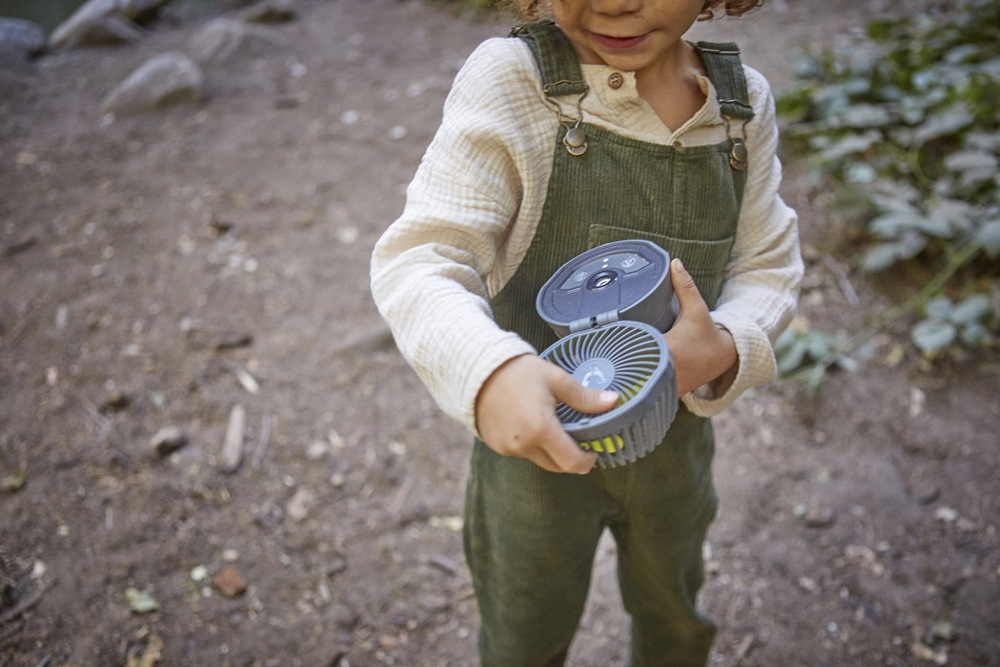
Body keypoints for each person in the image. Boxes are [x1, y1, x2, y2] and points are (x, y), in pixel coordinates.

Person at [370, 0, 802, 664]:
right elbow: (421, 257)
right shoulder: (514, 83)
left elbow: (767, 264)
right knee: (523, 632)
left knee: (674, 610)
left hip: (675, 448)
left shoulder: (740, 106)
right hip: (532, 462)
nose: (614, 3)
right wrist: (489, 370)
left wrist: (724, 342)